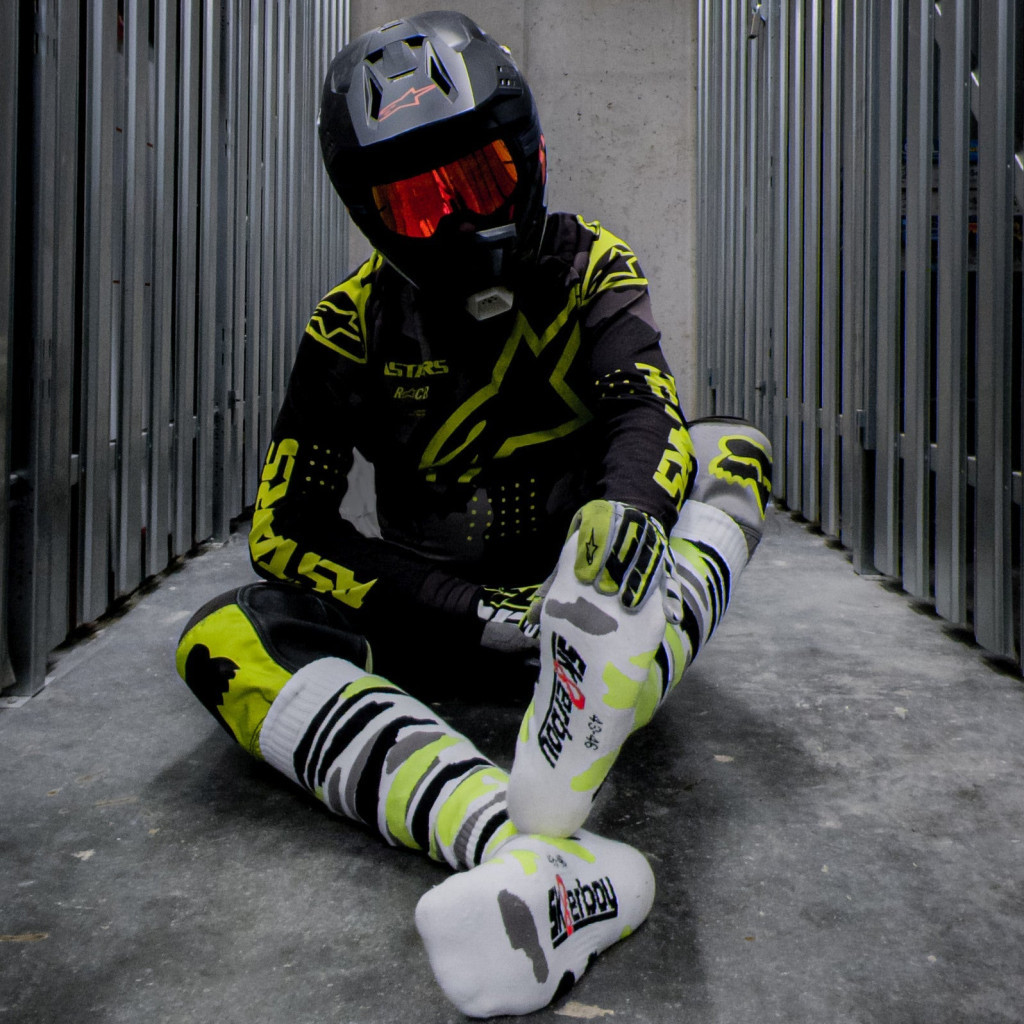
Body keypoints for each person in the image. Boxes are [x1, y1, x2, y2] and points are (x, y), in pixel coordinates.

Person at [175, 10, 772, 1018]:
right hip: (439, 623)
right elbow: (285, 528)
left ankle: (579, 720)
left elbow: (644, 412)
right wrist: (476, 614)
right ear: (371, 215)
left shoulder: (591, 265)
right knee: (220, 640)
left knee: (728, 448)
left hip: (595, 598)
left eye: (480, 181)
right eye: (418, 202)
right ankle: (516, 841)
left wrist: (624, 513)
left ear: (527, 154)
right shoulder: (348, 325)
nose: (458, 222)